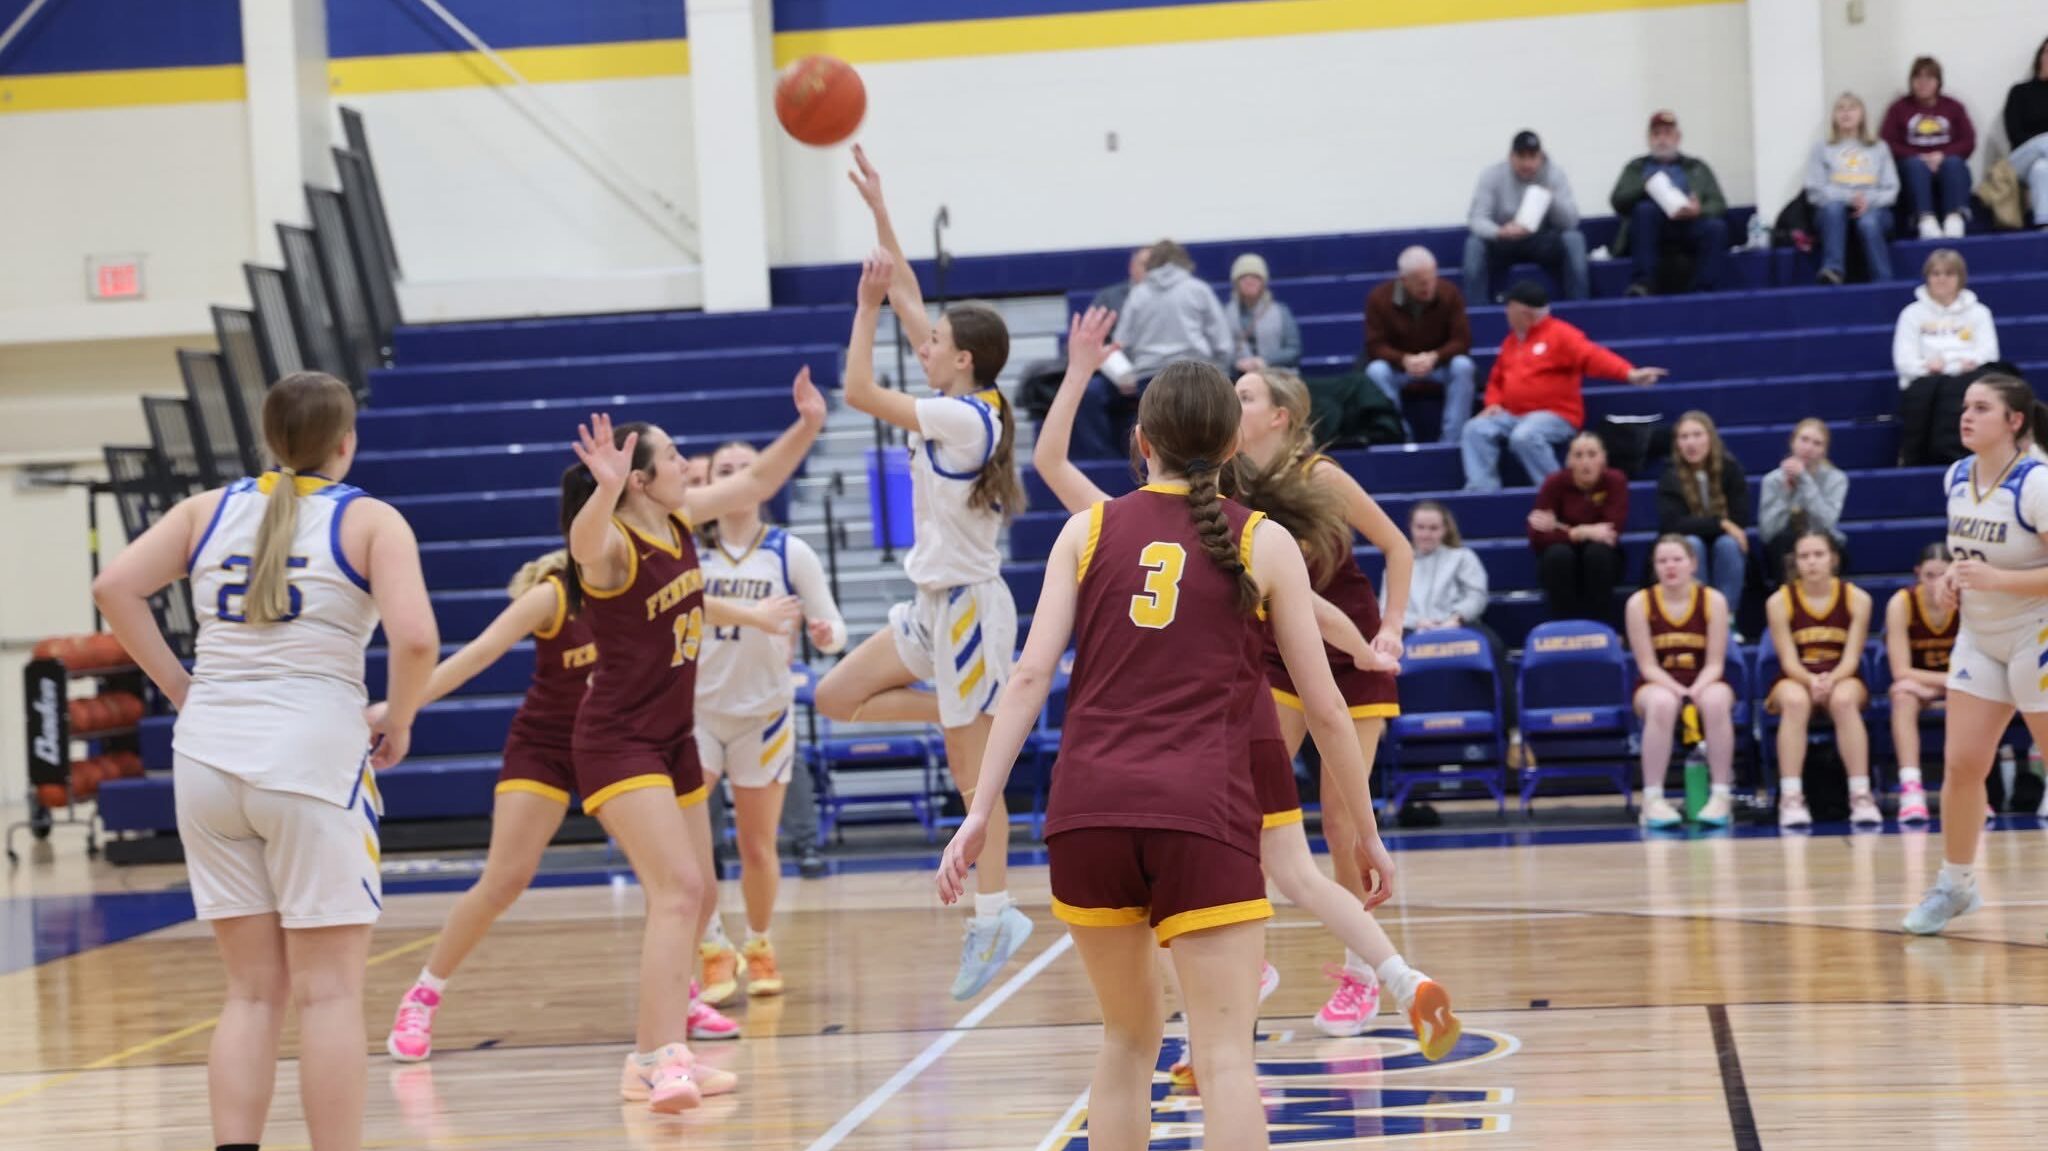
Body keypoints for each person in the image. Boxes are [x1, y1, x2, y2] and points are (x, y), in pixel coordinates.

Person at [940, 359, 1401, 1151]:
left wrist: (980, 809)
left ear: (1140, 441)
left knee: (1126, 1040)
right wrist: (1365, 833)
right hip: (1201, 814)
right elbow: (1327, 709)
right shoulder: (1265, 540)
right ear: (1230, 447)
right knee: (1223, 1058)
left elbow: (1026, 677)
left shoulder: (1085, 530)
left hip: (1085, 815)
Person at [1038, 311, 1459, 1060]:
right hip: (1249, 715)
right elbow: (1322, 615)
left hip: (1177, 744)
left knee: (1191, 898)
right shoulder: (1251, 527)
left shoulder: (1117, 524)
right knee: (1295, 865)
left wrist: (1076, 374)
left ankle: (1233, 1019)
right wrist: (1363, 645)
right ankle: (1396, 973)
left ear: (1147, 441)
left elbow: (1050, 468)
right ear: (1228, 438)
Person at [89, 371, 439, 1151]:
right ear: (345, 443)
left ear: (269, 438)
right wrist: (402, 719)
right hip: (312, 758)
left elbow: (114, 586)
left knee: (250, 992)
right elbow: (416, 639)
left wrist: (179, 683)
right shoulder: (372, 519)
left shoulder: (205, 510)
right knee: (327, 993)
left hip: (208, 755)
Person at [380, 495, 801, 1061]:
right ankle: (423, 995)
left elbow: (698, 603)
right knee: (505, 877)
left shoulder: (647, 586)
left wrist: (756, 616)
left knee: (686, 883)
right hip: (549, 748)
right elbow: (478, 653)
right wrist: (395, 709)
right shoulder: (556, 595)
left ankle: (680, 999)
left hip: (625, 746)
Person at [567, 370, 825, 1110]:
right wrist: (601, 488)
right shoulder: (615, 541)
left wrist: (806, 424)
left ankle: (660, 1052)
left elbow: (757, 481)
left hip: (672, 735)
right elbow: (583, 546)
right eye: (675, 456)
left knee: (699, 889)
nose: (689, 465)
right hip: (619, 741)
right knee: (677, 891)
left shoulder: (677, 522)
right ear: (641, 479)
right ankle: (654, 1056)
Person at [822, 147, 1036, 1001]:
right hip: (931, 609)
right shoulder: (962, 394)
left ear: (964, 362)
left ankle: (995, 915)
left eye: (936, 342)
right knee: (836, 699)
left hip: (970, 614)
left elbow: (856, 388)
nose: (926, 343)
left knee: (971, 780)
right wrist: (880, 209)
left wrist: (865, 307)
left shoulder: (957, 416)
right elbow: (913, 289)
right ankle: (969, 705)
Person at [692, 440, 848, 1006]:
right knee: (694, 846)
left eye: (744, 468)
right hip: (696, 715)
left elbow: (832, 620)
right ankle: (711, 949)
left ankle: (758, 943)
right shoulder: (689, 553)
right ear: (709, 484)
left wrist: (826, 634)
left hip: (764, 715)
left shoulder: (789, 551)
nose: (737, 477)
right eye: (724, 471)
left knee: (759, 847)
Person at [1903, 373, 2048, 933]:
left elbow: (2001, 570)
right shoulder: (1957, 475)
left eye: (1981, 408)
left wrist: (1995, 578)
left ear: (2014, 422)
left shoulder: (2036, 484)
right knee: (1963, 765)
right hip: (1980, 638)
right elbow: (1974, 559)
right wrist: (1954, 583)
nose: (1966, 416)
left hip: (2036, 634)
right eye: (1965, 406)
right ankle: (1956, 885)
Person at [1460, 280, 1666, 492]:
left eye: (1509, 307)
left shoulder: (1561, 335)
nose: (1505, 313)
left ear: (1525, 313)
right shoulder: (1511, 342)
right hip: (1513, 415)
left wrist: (1628, 373)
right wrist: (1493, 403)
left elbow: (1592, 356)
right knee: (1475, 429)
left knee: (1525, 436)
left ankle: (1559, 491)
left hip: (1556, 415)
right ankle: (1482, 489)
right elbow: (1497, 379)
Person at [1764, 531, 1877, 829]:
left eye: (1818, 555)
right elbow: (1788, 660)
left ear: (1833, 559)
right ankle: (1791, 797)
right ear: (1795, 562)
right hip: (1796, 676)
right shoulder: (1779, 601)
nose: (1812, 562)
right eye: (1804, 556)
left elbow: (1852, 658)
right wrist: (1812, 681)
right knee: (1795, 700)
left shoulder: (1857, 599)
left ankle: (1860, 795)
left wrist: (1829, 680)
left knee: (1843, 700)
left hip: (1842, 675)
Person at [1624, 535, 1738, 829]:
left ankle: (1721, 794)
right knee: (1663, 703)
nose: (1670, 567)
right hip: (1656, 683)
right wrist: (1678, 691)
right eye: (1662, 561)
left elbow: (1715, 662)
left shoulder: (1713, 600)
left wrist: (1696, 690)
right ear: (1654, 567)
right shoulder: (1640, 603)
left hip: (1705, 678)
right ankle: (1652, 799)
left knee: (1714, 700)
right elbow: (1647, 665)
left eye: (1677, 560)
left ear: (1693, 564)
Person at [1610, 110, 1731, 296]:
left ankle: (1703, 290)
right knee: (1644, 210)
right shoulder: (1636, 168)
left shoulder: (1697, 167)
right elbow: (1618, 201)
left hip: (1689, 224)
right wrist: (1645, 188)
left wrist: (1699, 211)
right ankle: (1643, 283)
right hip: (1652, 227)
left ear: (1677, 138)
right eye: (1656, 134)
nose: (1662, 140)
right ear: (1649, 139)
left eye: (1667, 133)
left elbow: (1718, 203)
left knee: (1716, 227)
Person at [1363, 247, 1477, 444]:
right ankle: (1399, 435)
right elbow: (1374, 345)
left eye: (1432, 279)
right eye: (1421, 282)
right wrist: (1403, 360)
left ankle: (1452, 440)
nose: (1428, 286)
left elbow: (1462, 341)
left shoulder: (1449, 293)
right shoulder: (1379, 298)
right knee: (1376, 371)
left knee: (1463, 366)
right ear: (1404, 280)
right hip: (1400, 368)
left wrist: (1435, 356)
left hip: (1439, 364)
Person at [1462, 129, 1590, 303]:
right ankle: (1477, 314)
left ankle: (1579, 306)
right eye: (1521, 156)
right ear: (1511, 157)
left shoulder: (1554, 174)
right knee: (1474, 245)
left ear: (1541, 157)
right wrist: (1499, 232)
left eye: (1532, 156)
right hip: (1503, 240)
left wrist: (1552, 199)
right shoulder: (1491, 175)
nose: (1527, 163)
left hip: (1541, 239)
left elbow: (1570, 222)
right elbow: (1476, 219)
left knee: (1574, 239)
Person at [1885, 543, 1956, 825]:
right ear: (1918, 574)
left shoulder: (1967, 600)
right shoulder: (1901, 604)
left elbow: (1977, 668)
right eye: (1929, 575)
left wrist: (1942, 686)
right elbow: (1900, 670)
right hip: (1918, 687)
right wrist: (1945, 683)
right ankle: (1911, 788)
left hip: (1957, 686)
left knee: (1970, 696)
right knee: (1901, 695)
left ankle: (1971, 787)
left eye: (1942, 575)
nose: (1936, 582)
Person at [1657, 411, 1750, 619]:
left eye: (1697, 435)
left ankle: (1727, 617)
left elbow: (1740, 518)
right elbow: (1673, 524)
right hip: (1688, 544)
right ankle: (1697, 616)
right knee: (1691, 544)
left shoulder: (1730, 469)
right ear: (1677, 444)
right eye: (1684, 437)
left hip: (1724, 544)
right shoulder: (1669, 477)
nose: (1691, 443)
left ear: (1711, 438)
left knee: (1727, 545)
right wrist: (1721, 523)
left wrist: (1724, 526)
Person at [1530, 431, 1630, 624]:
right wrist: (1581, 532)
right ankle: (1564, 627)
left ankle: (1602, 626)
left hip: (1602, 561)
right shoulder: (1554, 483)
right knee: (1558, 555)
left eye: (1592, 454)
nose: (1585, 462)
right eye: (1578, 455)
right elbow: (1536, 537)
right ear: (1569, 460)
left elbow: (1611, 531)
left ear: (1603, 458)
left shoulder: (1615, 481)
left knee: (1597, 553)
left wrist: (1560, 528)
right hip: (1562, 563)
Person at [1807, 92, 1900, 285]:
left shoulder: (1879, 147)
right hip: (1833, 210)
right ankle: (1833, 270)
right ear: (1833, 116)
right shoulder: (1822, 148)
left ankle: (1884, 281)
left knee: (1869, 222)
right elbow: (1814, 190)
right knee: (1833, 209)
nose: (1846, 113)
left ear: (1862, 115)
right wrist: (1849, 198)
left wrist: (1868, 201)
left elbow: (1892, 189)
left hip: (1874, 209)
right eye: (1840, 108)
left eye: (1852, 108)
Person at [1881, 56, 1977, 238]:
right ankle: (1925, 221)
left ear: (1938, 82)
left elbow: (1968, 140)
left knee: (1954, 163)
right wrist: (1920, 157)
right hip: (1912, 165)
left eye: (1929, 78)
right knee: (1914, 165)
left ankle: (1954, 219)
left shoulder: (1953, 107)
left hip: (1946, 163)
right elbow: (1887, 143)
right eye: (1918, 78)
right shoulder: (1898, 108)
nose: (1922, 83)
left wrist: (1942, 155)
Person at [1758, 419, 1850, 587]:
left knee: (1836, 550)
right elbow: (1767, 533)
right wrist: (1785, 495)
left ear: (1824, 451)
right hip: (1784, 544)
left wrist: (1805, 480)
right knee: (1782, 543)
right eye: (1804, 440)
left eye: (1817, 443)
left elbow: (1826, 523)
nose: (1809, 448)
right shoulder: (1772, 480)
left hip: (1821, 537)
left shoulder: (1836, 479)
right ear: (1793, 442)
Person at [1225, 253, 1302, 372]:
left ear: (1263, 282)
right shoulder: (1225, 314)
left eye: (1255, 277)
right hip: (1238, 379)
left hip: (1277, 379)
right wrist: (1236, 363)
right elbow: (1219, 350)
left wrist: (1264, 361)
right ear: (1236, 283)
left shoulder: (1281, 311)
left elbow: (1294, 350)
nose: (1249, 281)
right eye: (1243, 277)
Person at [2001, 36, 2048, 229]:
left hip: (2041, 164)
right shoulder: (2020, 92)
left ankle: (2045, 226)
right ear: (2039, 57)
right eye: (2047, 52)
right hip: (2020, 159)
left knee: (2042, 169)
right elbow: (2014, 134)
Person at [1089, 247, 1150, 315]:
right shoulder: (1108, 298)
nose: (1151, 270)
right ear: (1132, 267)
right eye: (1145, 265)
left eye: (1155, 266)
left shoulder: (1162, 298)